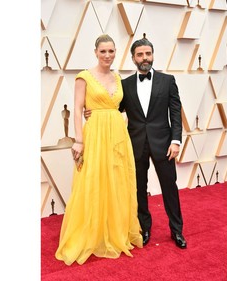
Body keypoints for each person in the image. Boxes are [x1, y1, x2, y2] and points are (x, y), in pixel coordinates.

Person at [85, 34, 187, 249]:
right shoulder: (125, 84)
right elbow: (114, 107)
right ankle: (144, 228)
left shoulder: (167, 81)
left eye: (148, 53)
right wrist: (92, 112)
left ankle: (176, 230)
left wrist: (176, 140)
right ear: (133, 58)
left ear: (152, 55)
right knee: (139, 189)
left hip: (164, 144)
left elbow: (176, 113)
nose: (145, 58)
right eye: (140, 54)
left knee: (169, 187)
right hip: (134, 144)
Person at [55, 34, 143, 266]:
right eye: (103, 51)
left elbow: (120, 106)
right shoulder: (84, 77)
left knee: (116, 180)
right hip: (94, 135)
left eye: (111, 51)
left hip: (117, 135)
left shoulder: (117, 76)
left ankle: (115, 231)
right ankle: (92, 234)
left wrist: (120, 118)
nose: (107, 55)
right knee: (93, 181)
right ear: (96, 52)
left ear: (116, 52)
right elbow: (77, 109)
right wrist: (78, 140)